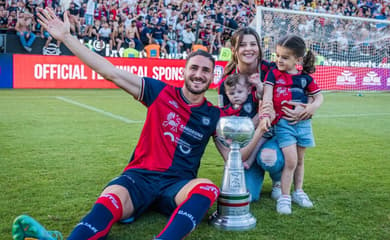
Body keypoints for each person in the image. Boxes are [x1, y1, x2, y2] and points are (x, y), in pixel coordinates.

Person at [12, 7, 270, 240]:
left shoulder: (212, 115)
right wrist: (67, 38)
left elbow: (236, 159)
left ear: (211, 77)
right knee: (109, 200)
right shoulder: (160, 92)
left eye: (205, 70)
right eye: (194, 68)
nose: (199, 74)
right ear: (184, 71)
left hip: (177, 186)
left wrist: (259, 128)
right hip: (138, 179)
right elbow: (109, 71)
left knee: (207, 188)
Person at [259, 35, 324, 215]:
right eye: (277, 55)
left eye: (285, 57)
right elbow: (267, 96)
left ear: (298, 60)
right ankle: (284, 198)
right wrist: (266, 112)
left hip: (303, 125)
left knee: (300, 161)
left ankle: (299, 192)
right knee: (291, 161)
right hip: (283, 124)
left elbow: (319, 96)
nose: (279, 60)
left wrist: (311, 108)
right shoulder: (273, 74)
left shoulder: (305, 79)